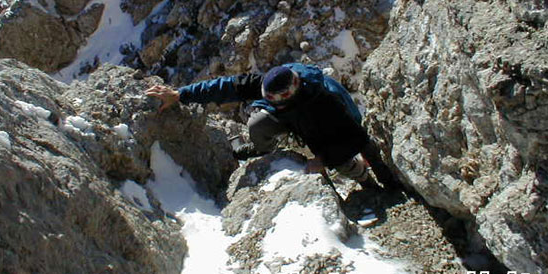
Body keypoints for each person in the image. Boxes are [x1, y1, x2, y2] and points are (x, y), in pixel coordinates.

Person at [145, 63, 396, 188]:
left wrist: (322, 159)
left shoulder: (327, 101)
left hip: (337, 130)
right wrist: (180, 95)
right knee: (259, 123)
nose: (267, 102)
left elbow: (354, 137)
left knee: (353, 158)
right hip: (302, 122)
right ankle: (264, 149)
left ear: (290, 97)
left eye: (274, 102)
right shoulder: (274, 84)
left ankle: (373, 182)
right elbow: (225, 87)